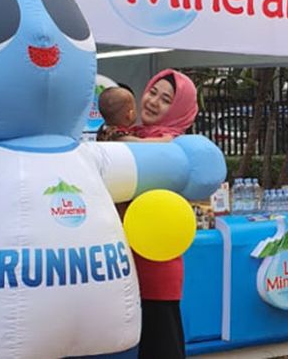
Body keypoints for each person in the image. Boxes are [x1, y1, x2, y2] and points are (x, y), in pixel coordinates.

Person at [117, 68, 199, 359]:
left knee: (161, 347)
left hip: (156, 268)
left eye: (165, 100)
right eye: (153, 92)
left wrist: (120, 143)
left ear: (178, 110)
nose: (153, 101)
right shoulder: (133, 136)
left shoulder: (174, 148)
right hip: (122, 264)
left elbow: (159, 150)